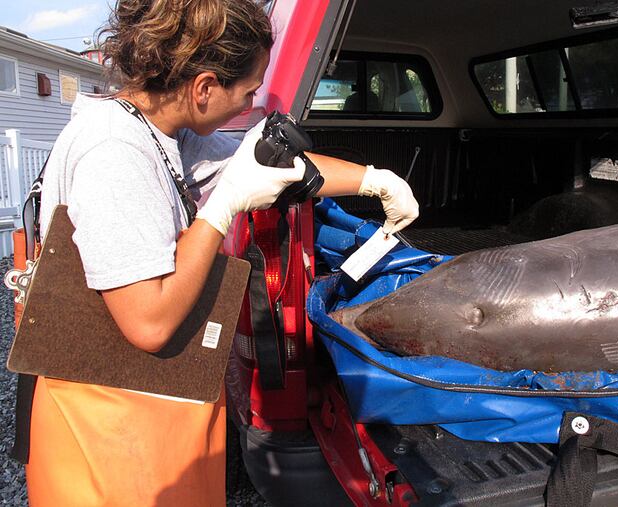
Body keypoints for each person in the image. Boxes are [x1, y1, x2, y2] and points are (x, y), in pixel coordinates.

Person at [26, 0, 419, 505]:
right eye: (249, 90)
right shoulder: (115, 153)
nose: (250, 104)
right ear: (205, 86)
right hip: (109, 430)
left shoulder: (160, 131)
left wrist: (372, 180)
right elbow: (148, 323)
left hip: (154, 415)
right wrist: (223, 207)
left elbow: (271, 167)